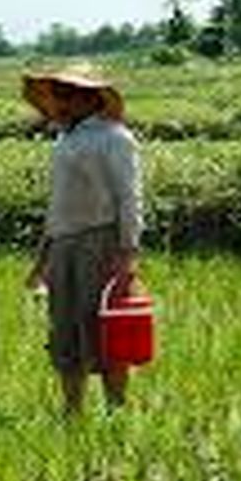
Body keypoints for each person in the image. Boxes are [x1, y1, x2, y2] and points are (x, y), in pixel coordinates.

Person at [22, 66, 144, 415]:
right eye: (58, 94)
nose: (62, 101)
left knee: (105, 328)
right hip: (63, 245)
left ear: (92, 98)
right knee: (64, 329)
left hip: (101, 242)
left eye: (69, 93)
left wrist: (127, 254)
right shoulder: (65, 139)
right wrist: (42, 260)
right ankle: (72, 409)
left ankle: (115, 408)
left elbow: (129, 198)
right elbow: (57, 206)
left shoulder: (115, 138)